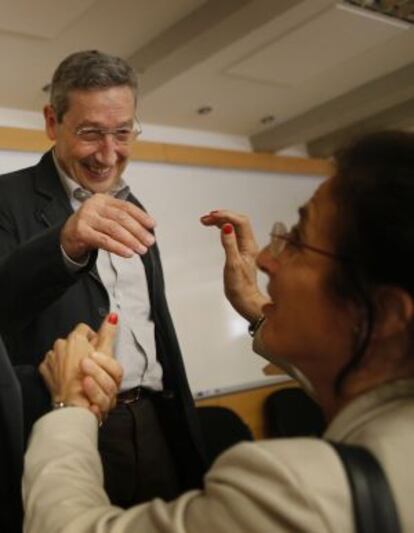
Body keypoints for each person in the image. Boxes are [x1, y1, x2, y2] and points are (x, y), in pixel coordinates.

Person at [24, 131, 414, 532]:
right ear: (53, 123)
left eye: (297, 241)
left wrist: (70, 406)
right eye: (90, 132)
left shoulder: (298, 492)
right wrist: (251, 301)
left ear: (384, 314)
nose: (265, 259)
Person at [0, 49, 206, 507]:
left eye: (123, 132)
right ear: (53, 122)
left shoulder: (138, 210)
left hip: (155, 422)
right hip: (60, 428)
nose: (109, 154)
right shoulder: (5, 200)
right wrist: (65, 243)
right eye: (91, 133)